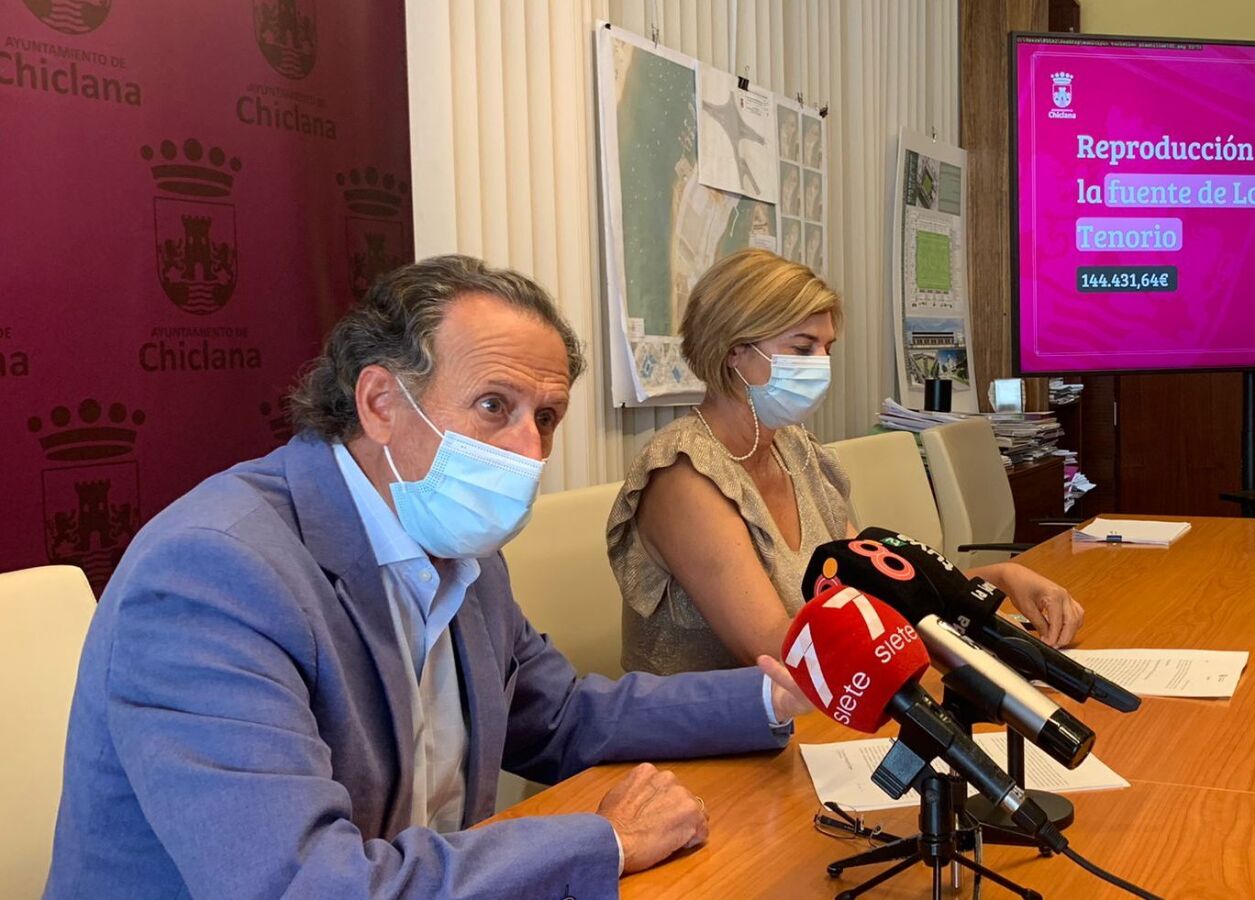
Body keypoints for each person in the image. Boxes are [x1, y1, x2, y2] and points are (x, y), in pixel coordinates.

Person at [46, 255, 812, 899]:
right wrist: (603, 840)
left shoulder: (460, 547)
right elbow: (307, 885)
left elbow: (559, 718)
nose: (529, 451)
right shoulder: (213, 573)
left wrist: (774, 697)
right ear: (381, 402)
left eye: (545, 417)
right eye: (494, 405)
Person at [607, 249, 1083, 676]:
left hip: (813, 714)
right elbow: (780, 653)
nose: (821, 364)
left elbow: (875, 593)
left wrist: (997, 580)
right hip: (719, 736)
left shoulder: (796, 450)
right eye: (802, 348)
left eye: (827, 349)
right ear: (734, 351)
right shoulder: (683, 476)